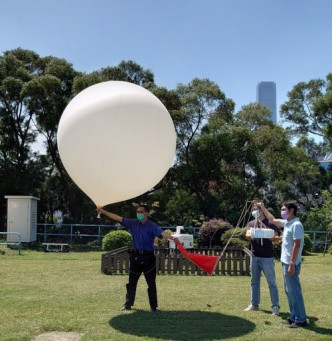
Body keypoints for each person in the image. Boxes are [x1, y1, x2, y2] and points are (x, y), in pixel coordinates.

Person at [96, 204, 172, 313]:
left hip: (148, 257)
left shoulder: (152, 226)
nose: (139, 214)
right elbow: (117, 218)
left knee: (151, 283)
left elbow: (162, 233)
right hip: (136, 256)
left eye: (141, 212)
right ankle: (128, 304)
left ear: (147, 213)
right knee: (131, 283)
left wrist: (173, 238)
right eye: (137, 212)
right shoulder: (132, 223)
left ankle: (154, 307)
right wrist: (103, 211)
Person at [258, 201, 308, 328]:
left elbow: (296, 245)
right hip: (286, 262)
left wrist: (291, 263)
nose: (282, 211)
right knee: (289, 291)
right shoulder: (288, 223)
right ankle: (293, 317)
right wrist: (263, 207)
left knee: (294, 291)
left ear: (291, 211)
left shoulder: (296, 225)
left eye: (284, 209)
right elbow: (273, 220)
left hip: (291, 263)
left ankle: (301, 319)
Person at [244, 201, 280, 315]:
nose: (255, 211)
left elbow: (275, 237)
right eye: (253, 209)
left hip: (267, 257)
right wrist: (252, 234)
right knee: (254, 281)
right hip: (254, 256)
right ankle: (254, 304)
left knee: (271, 282)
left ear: (262, 210)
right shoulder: (251, 223)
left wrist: (268, 235)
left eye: (257, 208)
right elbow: (247, 236)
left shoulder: (270, 223)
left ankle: (275, 306)